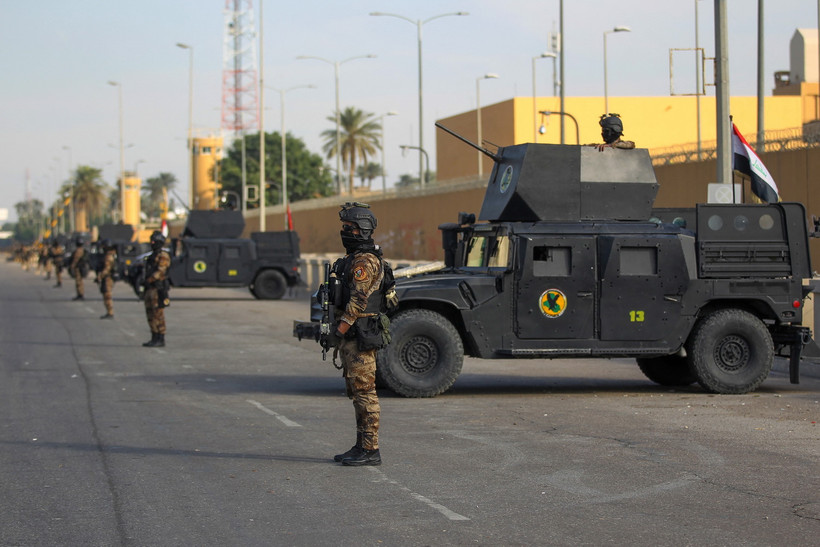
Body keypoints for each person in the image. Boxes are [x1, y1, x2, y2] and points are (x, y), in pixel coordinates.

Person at [330, 202, 389, 466]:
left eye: (349, 227)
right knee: (356, 392)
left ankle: (370, 450)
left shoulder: (364, 262)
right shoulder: (353, 259)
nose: (344, 231)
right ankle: (360, 445)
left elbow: (358, 302)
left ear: (361, 229)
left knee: (365, 393)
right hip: (353, 335)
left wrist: (338, 331)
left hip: (360, 335)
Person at [142, 231, 171, 347]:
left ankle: (160, 337)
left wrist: (150, 279)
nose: (152, 243)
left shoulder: (163, 256)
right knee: (150, 314)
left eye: (154, 241)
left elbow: (161, 271)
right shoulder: (151, 256)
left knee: (158, 314)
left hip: (158, 289)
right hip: (149, 289)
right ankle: (154, 336)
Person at [96, 239, 117, 319]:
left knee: (107, 295)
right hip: (108, 277)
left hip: (108, 278)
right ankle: (109, 312)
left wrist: (99, 277)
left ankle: (110, 312)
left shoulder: (108, 256)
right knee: (106, 294)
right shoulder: (111, 255)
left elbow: (106, 269)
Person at [69, 236, 88, 300]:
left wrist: (72, 266)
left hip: (78, 267)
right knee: (80, 281)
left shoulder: (78, 251)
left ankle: (80, 294)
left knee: (78, 281)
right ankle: (80, 294)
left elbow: (76, 259)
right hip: (81, 267)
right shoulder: (83, 250)